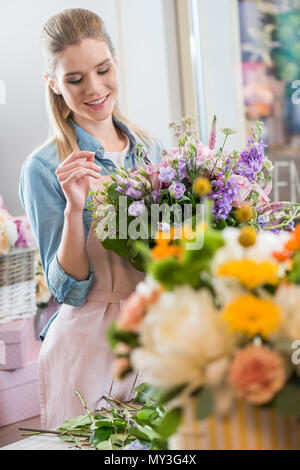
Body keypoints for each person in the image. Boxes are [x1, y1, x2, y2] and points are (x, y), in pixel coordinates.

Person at [19, 8, 162, 429]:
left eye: (103, 69)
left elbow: (170, 250)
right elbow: (67, 291)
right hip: (90, 348)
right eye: (75, 79)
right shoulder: (44, 167)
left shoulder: (150, 149)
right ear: (53, 84)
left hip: (157, 336)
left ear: (116, 62)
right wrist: (74, 209)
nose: (95, 89)